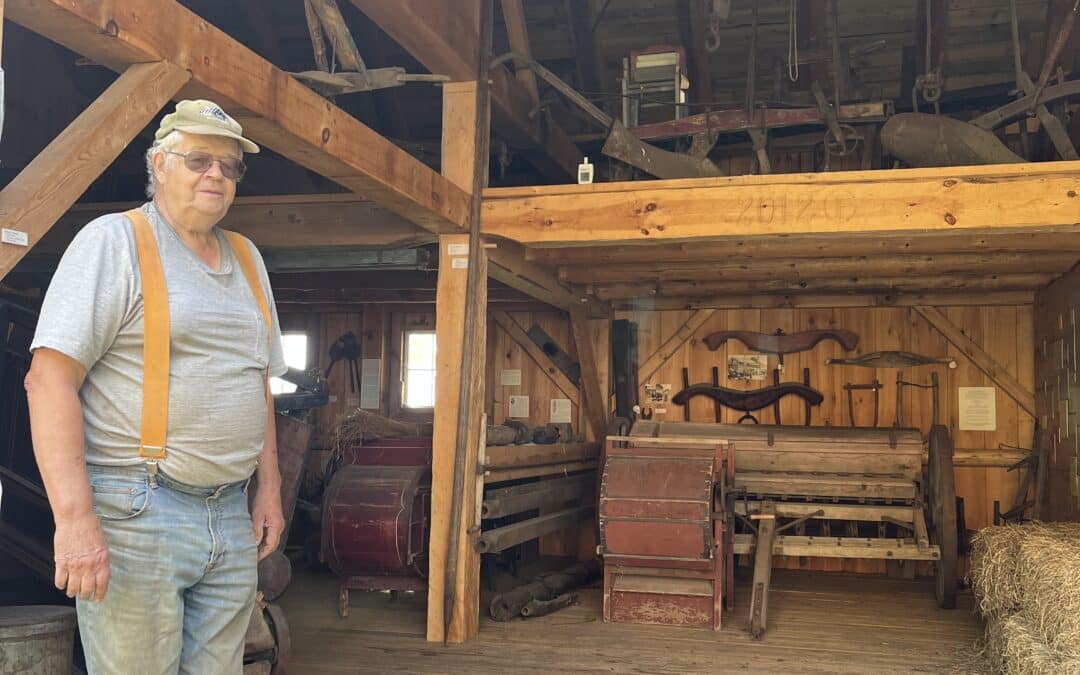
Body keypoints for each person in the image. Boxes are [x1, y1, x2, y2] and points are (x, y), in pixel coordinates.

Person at [24, 99, 288, 674]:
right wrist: (73, 518)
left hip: (229, 511)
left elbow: (257, 381)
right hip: (137, 507)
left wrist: (268, 489)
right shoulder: (114, 243)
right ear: (160, 165)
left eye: (228, 165)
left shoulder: (247, 258)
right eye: (198, 159)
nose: (215, 174)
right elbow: (48, 381)